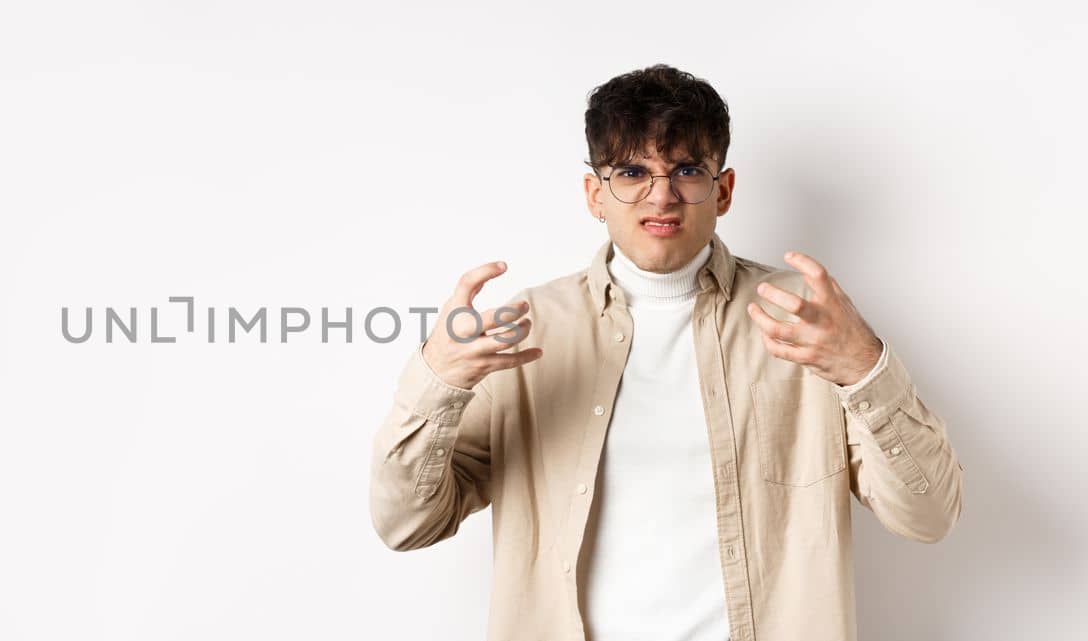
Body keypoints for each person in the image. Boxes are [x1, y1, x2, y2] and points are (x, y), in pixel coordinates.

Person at [366, 64, 964, 641]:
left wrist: (865, 368)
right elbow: (406, 526)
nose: (662, 197)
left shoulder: (810, 322)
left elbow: (929, 515)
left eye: (686, 171)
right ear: (594, 194)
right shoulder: (529, 329)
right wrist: (437, 383)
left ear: (723, 190)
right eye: (630, 173)